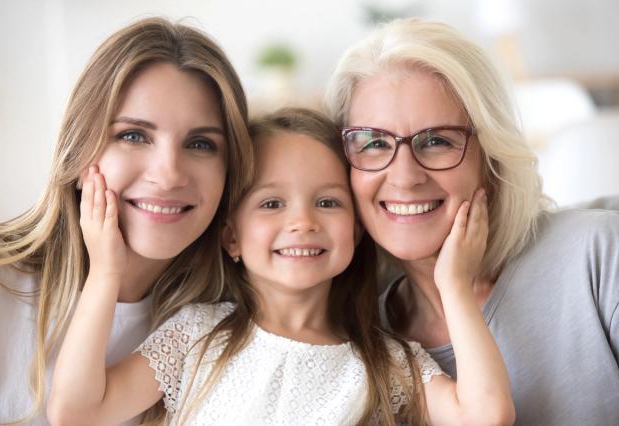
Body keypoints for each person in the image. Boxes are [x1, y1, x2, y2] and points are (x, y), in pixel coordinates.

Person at [47, 108, 514, 425]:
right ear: (231, 236)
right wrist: (105, 272)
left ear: (355, 230)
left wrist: (451, 283)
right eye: (271, 203)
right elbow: (77, 411)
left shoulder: (388, 363)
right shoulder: (195, 336)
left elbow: (486, 416)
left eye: (328, 202)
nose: (302, 223)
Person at [325, 17, 619, 425]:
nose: (405, 177)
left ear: (491, 157)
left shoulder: (599, 257)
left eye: (437, 141)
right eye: (374, 143)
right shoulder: (360, 340)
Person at [0, 17, 253, 425]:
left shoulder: (225, 327)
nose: (169, 174)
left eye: (200, 144)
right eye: (133, 135)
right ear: (80, 146)